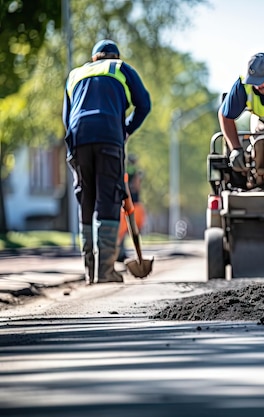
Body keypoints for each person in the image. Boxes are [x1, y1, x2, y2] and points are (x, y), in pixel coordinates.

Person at [62, 39, 151, 284]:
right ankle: (105, 271)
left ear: (93, 59)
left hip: (79, 137)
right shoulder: (120, 68)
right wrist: (126, 131)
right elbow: (144, 104)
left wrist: (74, 144)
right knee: (108, 198)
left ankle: (89, 270)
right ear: (115, 55)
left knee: (86, 198)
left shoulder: (75, 74)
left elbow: (66, 117)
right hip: (108, 137)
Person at [117, 154, 146, 262]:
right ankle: (123, 254)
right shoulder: (136, 172)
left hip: (123, 202)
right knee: (132, 230)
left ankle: (119, 253)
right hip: (134, 203)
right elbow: (137, 185)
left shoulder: (124, 170)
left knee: (121, 231)